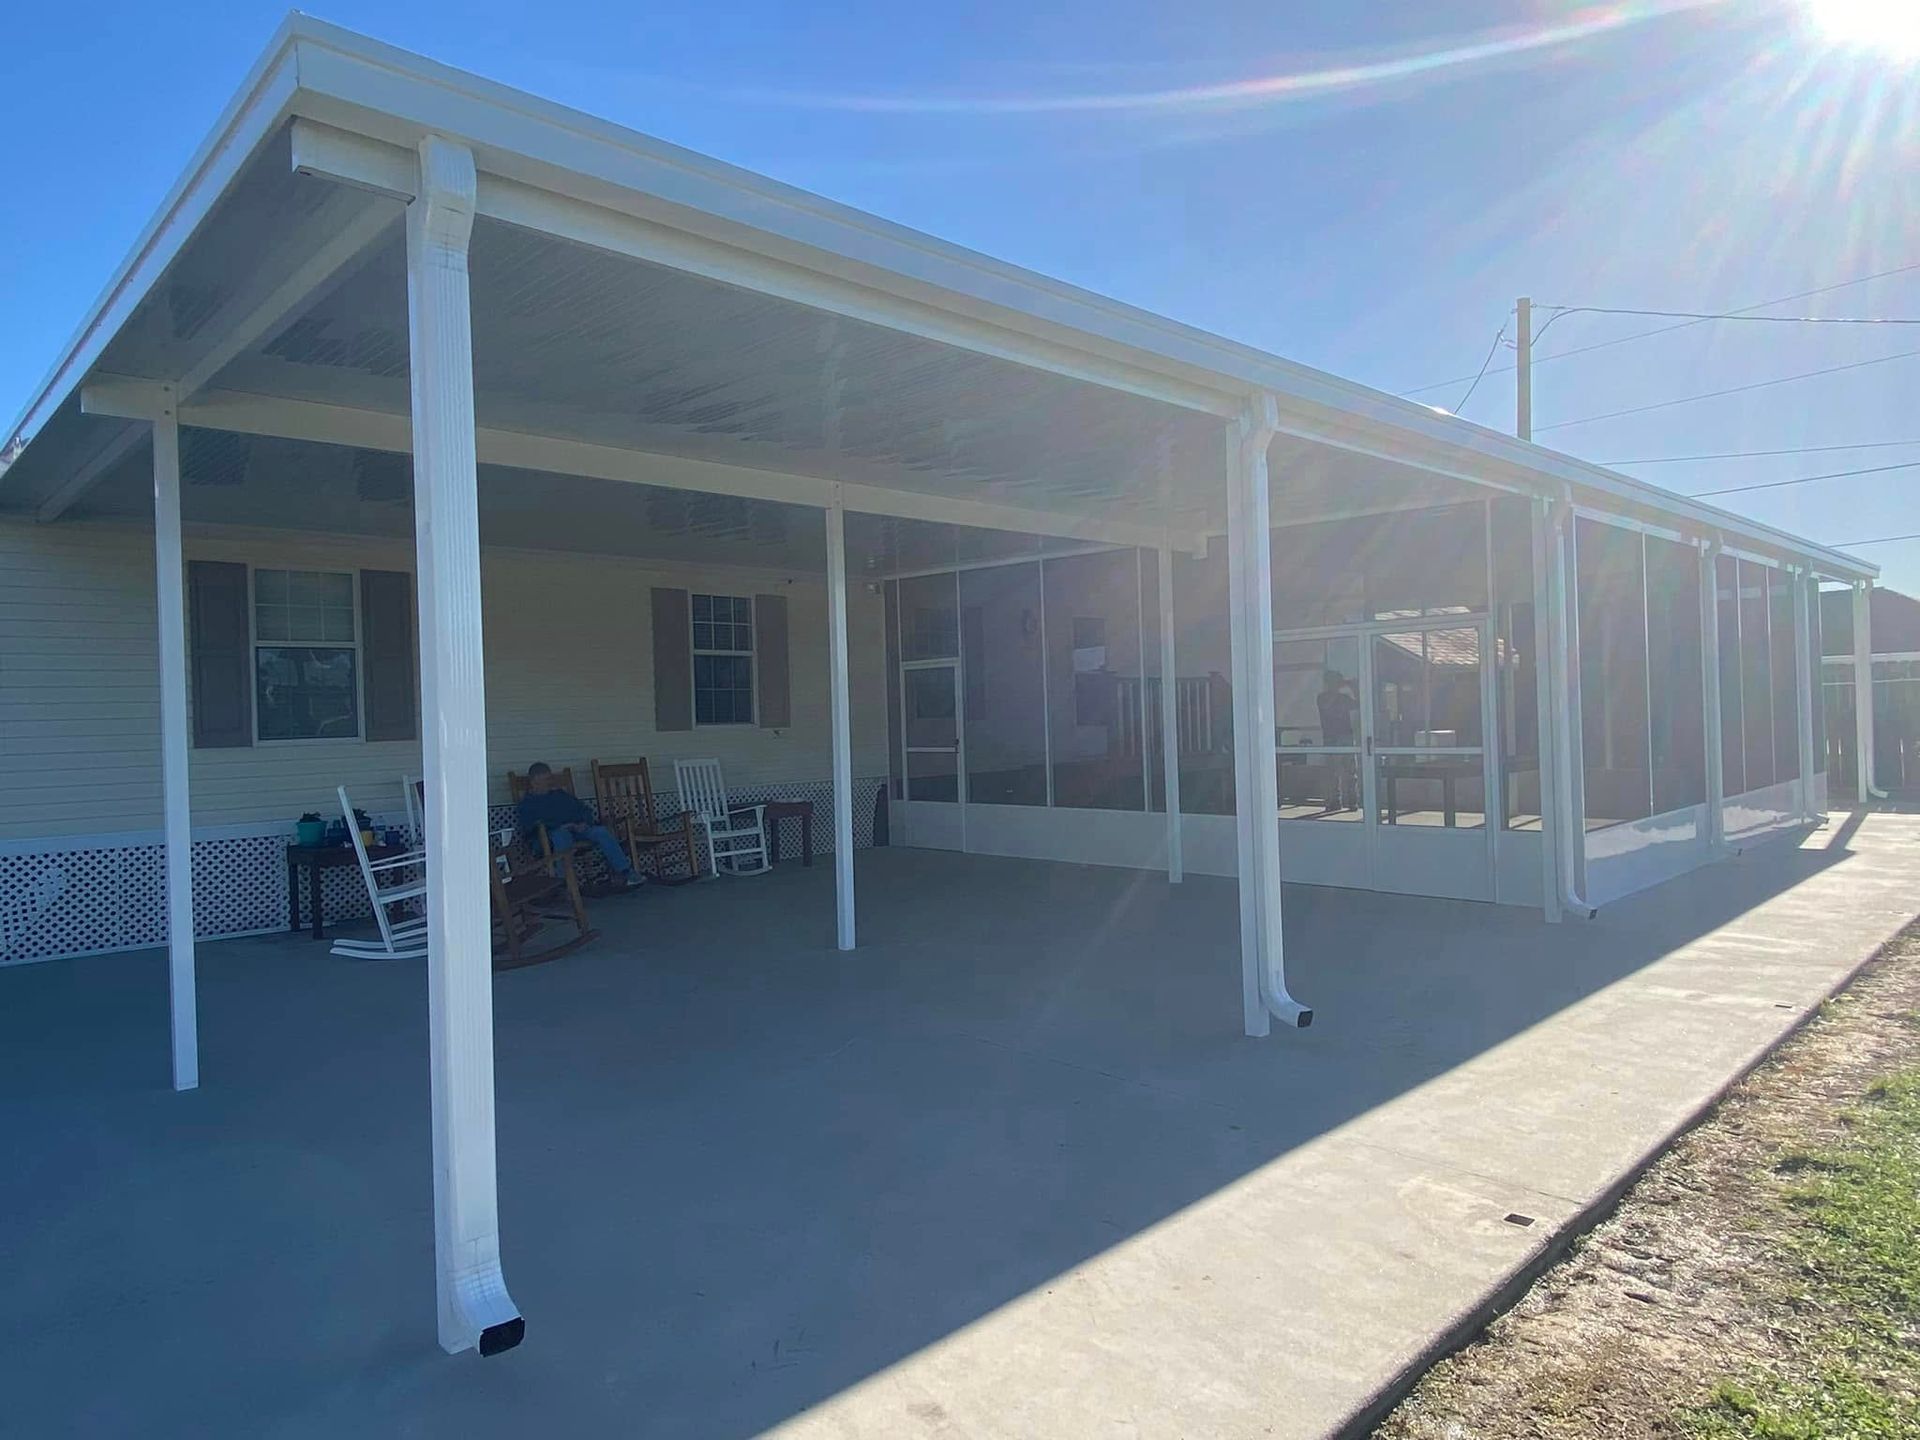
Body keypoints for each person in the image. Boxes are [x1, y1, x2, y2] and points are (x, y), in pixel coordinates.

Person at [516, 762, 643, 888]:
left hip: (576, 830)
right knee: (561, 835)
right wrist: (559, 826)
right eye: (545, 780)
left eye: (550, 779)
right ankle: (564, 883)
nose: (549, 783)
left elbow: (584, 810)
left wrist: (583, 822)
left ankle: (626, 872)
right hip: (549, 838)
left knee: (601, 831)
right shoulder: (527, 804)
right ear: (533, 782)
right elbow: (530, 827)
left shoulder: (560, 795)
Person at [1315, 669, 1360, 811]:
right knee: (1332, 772)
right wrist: (1337, 688)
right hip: (1331, 737)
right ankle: (1334, 801)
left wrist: (1354, 687)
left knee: (1350, 771)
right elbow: (1326, 707)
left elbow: (1358, 705)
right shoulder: (1322, 697)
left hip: (1346, 735)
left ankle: (1353, 801)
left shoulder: (1344, 698)